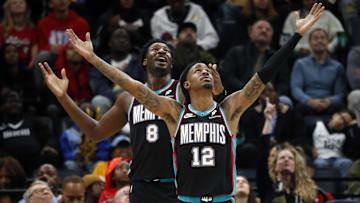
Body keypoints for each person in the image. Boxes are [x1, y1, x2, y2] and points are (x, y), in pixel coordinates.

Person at [41, 3, 324, 202]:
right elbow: (106, 116)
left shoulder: (194, 102)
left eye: (167, 49)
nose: (162, 52)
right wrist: (71, 87)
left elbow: (252, 85)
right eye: (156, 49)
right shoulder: (151, 104)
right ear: (144, 61)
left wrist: (296, 36)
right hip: (147, 189)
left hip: (184, 190)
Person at [150, 0, 219, 50]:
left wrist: (196, 46)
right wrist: (171, 45)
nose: (176, 3)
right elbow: (156, 46)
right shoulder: (158, 17)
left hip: (197, 56)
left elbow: (213, 38)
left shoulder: (197, 11)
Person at [0, 0, 38, 68]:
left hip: (27, 67)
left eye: (21, 2)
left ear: (26, 6)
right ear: (9, 7)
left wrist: (28, 69)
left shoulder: (32, 28)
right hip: (5, 67)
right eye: (14, 3)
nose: (18, 5)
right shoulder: (2, 28)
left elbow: (34, 55)